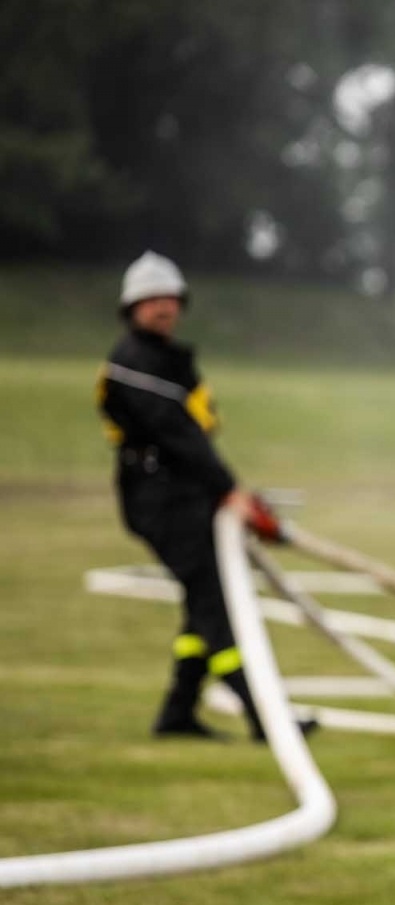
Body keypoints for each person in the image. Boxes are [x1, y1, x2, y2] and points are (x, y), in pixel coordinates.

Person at [96, 251, 286, 740]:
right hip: (160, 501)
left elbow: (197, 433)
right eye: (151, 299)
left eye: (170, 298)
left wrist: (223, 493)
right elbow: (179, 436)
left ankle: (177, 714)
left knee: (202, 601)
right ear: (132, 308)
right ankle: (264, 718)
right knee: (213, 603)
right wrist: (231, 491)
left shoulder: (169, 360)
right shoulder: (135, 363)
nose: (163, 307)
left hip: (184, 496)